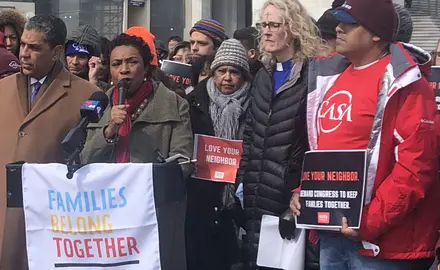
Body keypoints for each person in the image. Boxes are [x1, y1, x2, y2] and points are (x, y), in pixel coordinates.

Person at [290, 0, 440, 269]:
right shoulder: (329, 76)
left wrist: (370, 222)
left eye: (350, 23)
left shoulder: (407, 83)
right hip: (333, 232)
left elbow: (416, 166)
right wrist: (307, 193)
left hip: (384, 244)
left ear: (376, 33)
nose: (338, 29)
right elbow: (326, 152)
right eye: (338, 22)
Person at [81, 34, 192, 270]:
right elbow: (84, 159)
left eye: (132, 62)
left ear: (146, 67)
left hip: (152, 216)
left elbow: (183, 162)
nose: (124, 70)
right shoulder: (99, 104)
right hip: (106, 215)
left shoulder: (174, 103)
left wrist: (147, 181)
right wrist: (109, 130)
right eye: (116, 64)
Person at [0, 14, 100, 269]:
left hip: (50, 220)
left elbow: (92, 156)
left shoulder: (87, 95)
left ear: (56, 51)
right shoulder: (2, 88)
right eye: (22, 44)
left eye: (34, 48)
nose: (23, 53)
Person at [235, 0, 320, 269]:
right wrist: (238, 184)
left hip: (290, 195)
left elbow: (315, 142)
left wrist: (303, 193)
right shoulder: (262, 74)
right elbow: (250, 134)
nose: (266, 32)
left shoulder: (313, 75)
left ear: (294, 29)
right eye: (263, 25)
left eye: (274, 25)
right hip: (255, 192)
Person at [186, 38, 252, 270]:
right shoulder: (195, 101)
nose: (227, 78)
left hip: (241, 195)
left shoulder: (256, 104)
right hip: (203, 198)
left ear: (243, 75)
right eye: (222, 70)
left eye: (234, 72)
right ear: (213, 73)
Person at [65, 24, 107, 89]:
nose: (75, 62)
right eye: (71, 55)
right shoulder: (52, 84)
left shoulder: (106, 89)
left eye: (81, 57)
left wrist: (93, 81)